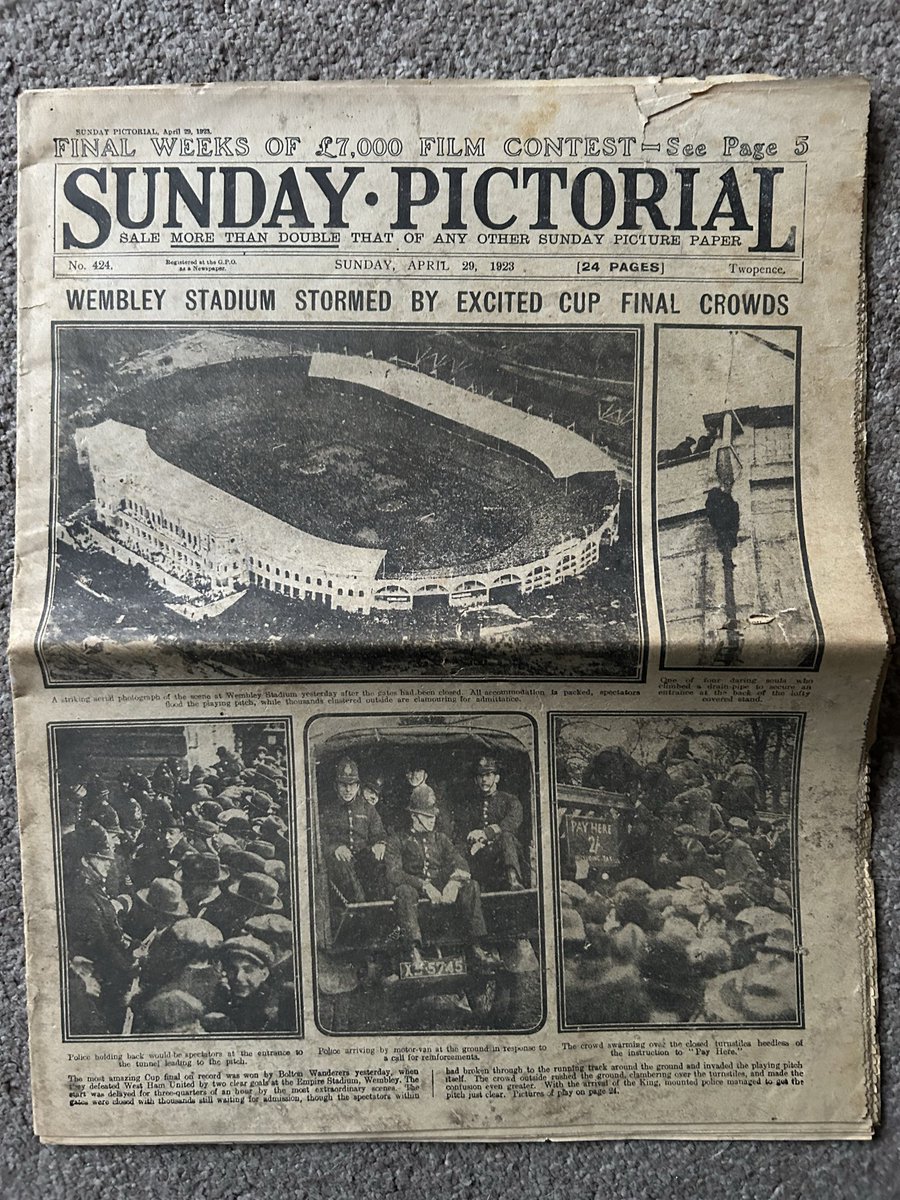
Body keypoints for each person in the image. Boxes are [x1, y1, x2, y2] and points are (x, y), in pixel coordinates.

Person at [384, 792, 494, 971]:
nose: (432, 820)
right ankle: (414, 951)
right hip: (415, 895)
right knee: (404, 891)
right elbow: (393, 873)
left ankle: (476, 945)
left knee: (472, 885)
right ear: (413, 816)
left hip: (441, 895)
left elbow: (460, 862)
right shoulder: (397, 840)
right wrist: (424, 885)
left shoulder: (441, 839)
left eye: (433, 816)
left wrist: (454, 883)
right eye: (426, 816)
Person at [64, 823, 135, 1033]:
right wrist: (130, 966)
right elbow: (101, 944)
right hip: (99, 981)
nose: (108, 865)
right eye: (102, 859)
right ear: (85, 860)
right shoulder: (82, 898)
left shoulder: (93, 888)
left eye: (108, 860)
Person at [318, 757, 386, 903]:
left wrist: (380, 843)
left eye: (352, 784)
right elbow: (320, 838)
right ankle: (361, 908)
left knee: (378, 869)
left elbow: (379, 833)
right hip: (340, 863)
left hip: (362, 860)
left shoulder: (368, 809)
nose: (348, 790)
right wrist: (335, 848)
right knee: (346, 873)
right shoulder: (328, 810)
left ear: (358, 786)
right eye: (343, 785)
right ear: (336, 786)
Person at [460, 754, 525, 891]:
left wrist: (487, 833)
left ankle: (513, 880)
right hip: (481, 854)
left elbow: (512, 822)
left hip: (505, 853)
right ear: (476, 780)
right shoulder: (471, 805)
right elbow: (462, 828)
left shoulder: (510, 800)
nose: (484, 779)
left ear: (497, 778)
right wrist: (471, 836)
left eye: (488, 775)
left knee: (506, 836)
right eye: (480, 776)